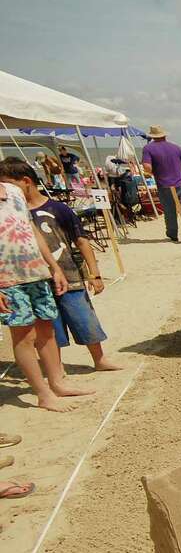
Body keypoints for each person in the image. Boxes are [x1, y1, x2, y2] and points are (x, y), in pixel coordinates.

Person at [0, 158, 121, 372]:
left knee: (84, 319)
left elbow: (82, 241)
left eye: (8, 183)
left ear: (26, 181)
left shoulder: (58, 208)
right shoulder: (12, 212)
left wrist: (95, 274)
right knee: (50, 329)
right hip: (38, 280)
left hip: (70, 276)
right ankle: (57, 367)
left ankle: (99, 359)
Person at [0, 176, 92, 411]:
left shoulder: (13, 191)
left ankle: (57, 383)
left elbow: (32, 231)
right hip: (7, 279)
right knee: (24, 335)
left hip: (36, 272)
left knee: (47, 329)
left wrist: (54, 265)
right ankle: (43, 393)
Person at [141, 124, 181, 242]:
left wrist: (156, 173)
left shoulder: (148, 148)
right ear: (164, 135)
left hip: (164, 185)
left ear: (152, 136)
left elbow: (147, 167)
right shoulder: (175, 147)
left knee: (170, 211)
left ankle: (173, 235)